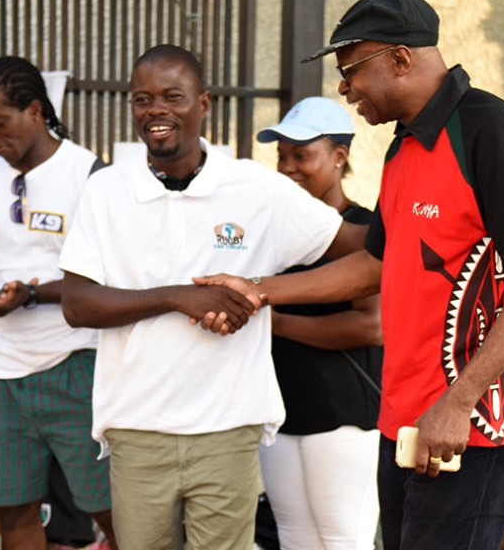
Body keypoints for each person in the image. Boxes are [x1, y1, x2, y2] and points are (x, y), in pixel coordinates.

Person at [195, 0, 504, 550]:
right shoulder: (403, 146)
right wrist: (257, 289)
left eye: (350, 70)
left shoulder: (489, 129)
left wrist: (458, 402)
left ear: (401, 58)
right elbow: (376, 265)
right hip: (402, 419)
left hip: (468, 425)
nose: (344, 89)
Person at [58, 44, 366, 550]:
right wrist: (179, 297)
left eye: (172, 96)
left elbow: (360, 247)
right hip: (137, 429)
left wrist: (260, 294)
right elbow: (77, 305)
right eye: (142, 99)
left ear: (203, 104)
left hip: (229, 428)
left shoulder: (255, 188)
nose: (155, 110)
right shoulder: (106, 190)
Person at [0, 56, 117, 550]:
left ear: (35, 110)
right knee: (14, 509)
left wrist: (33, 294)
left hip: (77, 362)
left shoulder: (90, 176)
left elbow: (111, 274)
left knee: (109, 506)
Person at [256, 96, 382, 550]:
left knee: (343, 541)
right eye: (281, 155)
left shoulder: (365, 230)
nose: (288, 167)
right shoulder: (275, 233)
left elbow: (372, 326)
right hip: (282, 412)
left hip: (344, 418)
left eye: (301, 155)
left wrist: (276, 324)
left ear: (339, 156)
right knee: (294, 540)